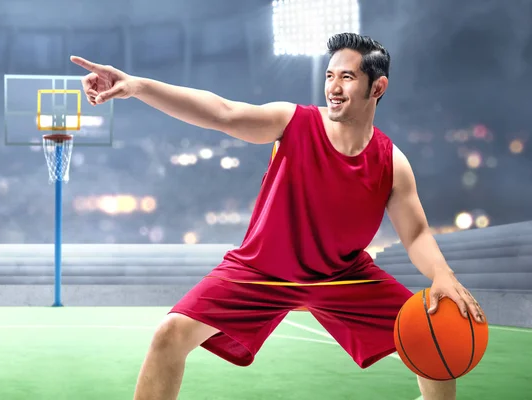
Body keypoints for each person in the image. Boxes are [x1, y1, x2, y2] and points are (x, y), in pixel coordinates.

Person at [71, 32, 486, 400]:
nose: (334, 87)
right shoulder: (293, 123)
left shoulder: (391, 163)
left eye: (347, 77)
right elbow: (222, 113)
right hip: (262, 269)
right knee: (168, 336)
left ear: (378, 87)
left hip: (343, 275)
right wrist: (138, 86)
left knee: (438, 340)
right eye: (329, 76)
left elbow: (415, 235)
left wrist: (442, 275)